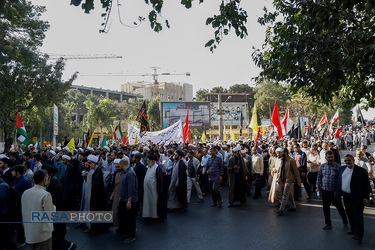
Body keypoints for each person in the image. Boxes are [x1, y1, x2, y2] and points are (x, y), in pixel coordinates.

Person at [337, 154, 372, 244]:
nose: (347, 162)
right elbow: (339, 182)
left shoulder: (361, 171)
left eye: (349, 160)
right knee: (349, 214)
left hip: (357, 197)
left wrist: (366, 197)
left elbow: (366, 186)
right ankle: (353, 230)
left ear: (353, 160)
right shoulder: (342, 169)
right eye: (346, 161)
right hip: (346, 196)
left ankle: (359, 235)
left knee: (358, 216)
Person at [42, 164, 76, 250]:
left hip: (57, 214)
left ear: (50, 176)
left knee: (56, 237)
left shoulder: (56, 185)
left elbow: (54, 202)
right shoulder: (51, 183)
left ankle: (69, 246)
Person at [21, 169, 55, 249]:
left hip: (29, 232)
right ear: (44, 179)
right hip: (43, 234)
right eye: (47, 177)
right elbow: (50, 214)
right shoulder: (45, 194)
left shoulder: (26, 192)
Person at [316, 151, 348, 230]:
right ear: (326, 158)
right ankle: (328, 223)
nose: (330, 159)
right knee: (326, 208)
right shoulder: (322, 166)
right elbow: (319, 177)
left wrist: (340, 190)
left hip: (334, 191)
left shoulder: (338, 167)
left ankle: (345, 220)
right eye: (329, 157)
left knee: (339, 207)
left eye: (332, 157)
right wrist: (318, 187)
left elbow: (341, 179)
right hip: (325, 191)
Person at [118, 157, 139, 244]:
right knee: (121, 214)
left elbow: (131, 188)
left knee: (130, 218)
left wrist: (129, 201)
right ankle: (126, 230)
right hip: (124, 198)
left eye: (120, 165)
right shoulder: (126, 172)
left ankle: (132, 235)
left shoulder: (130, 174)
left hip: (129, 200)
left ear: (123, 165)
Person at [142, 154, 167, 221]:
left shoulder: (157, 168)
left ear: (153, 161)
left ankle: (154, 216)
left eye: (148, 160)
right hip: (148, 191)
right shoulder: (149, 167)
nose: (147, 162)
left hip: (154, 191)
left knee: (154, 203)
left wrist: (160, 191)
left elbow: (160, 181)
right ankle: (149, 215)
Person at [277, 148, 301, 216]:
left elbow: (296, 172)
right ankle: (293, 206)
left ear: (286, 153)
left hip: (289, 180)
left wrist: (298, 182)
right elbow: (280, 170)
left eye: (282, 153)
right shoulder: (282, 160)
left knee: (285, 194)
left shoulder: (291, 160)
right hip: (283, 180)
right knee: (289, 194)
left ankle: (281, 209)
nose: (280, 154)